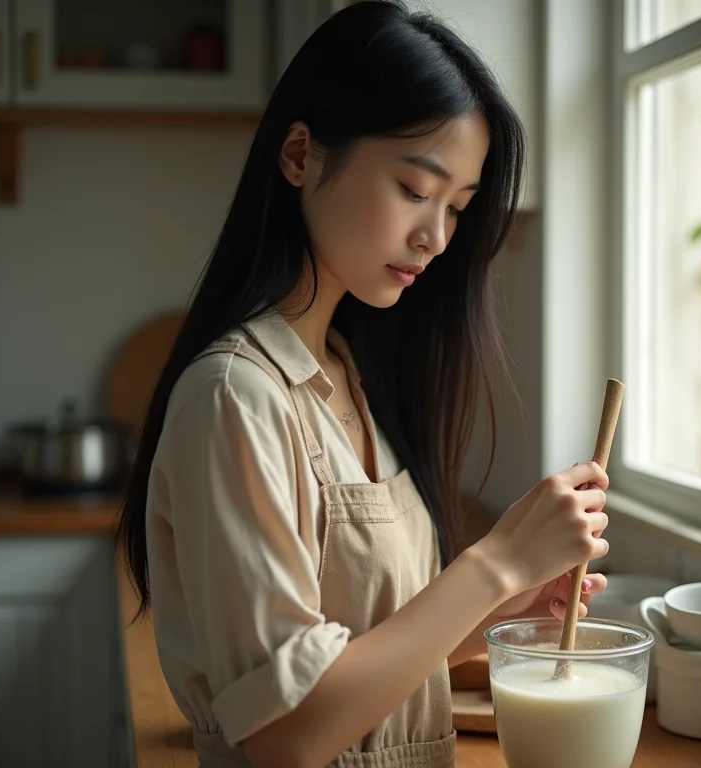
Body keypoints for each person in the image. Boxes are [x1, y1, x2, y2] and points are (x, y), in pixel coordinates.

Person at [117, 2, 610, 766]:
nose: (437, 236)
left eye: (456, 207)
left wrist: (502, 606)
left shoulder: (347, 371)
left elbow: (361, 661)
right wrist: (493, 565)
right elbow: (286, 732)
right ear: (299, 156)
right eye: (416, 188)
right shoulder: (235, 398)